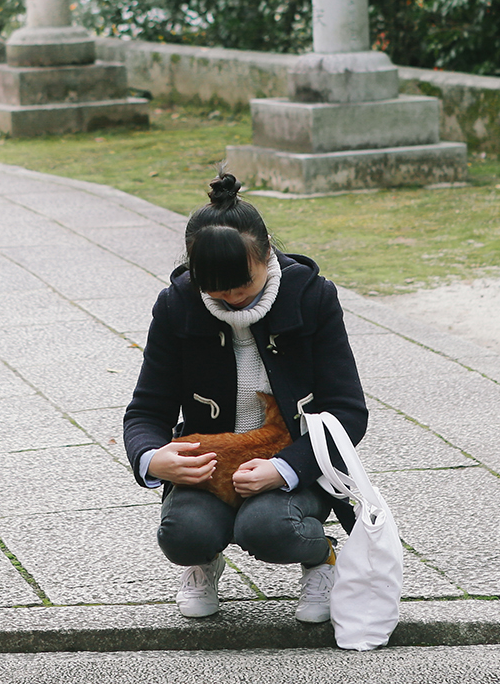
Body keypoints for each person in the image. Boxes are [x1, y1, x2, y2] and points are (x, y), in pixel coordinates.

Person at [124, 171, 370, 622]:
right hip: (210, 466)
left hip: (295, 461)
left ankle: (324, 559)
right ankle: (203, 562)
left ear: (268, 252)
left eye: (245, 283)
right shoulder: (177, 305)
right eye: (216, 288)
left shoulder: (312, 298)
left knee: (268, 528)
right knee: (182, 534)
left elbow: (349, 412)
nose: (234, 297)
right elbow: (145, 410)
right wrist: (150, 459)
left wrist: (285, 468)